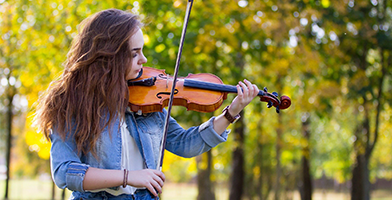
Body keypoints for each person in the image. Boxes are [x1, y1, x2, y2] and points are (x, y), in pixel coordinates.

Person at [33, 8, 259, 200]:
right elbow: (64, 172)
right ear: (109, 56)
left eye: (142, 51)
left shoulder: (147, 100)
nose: (144, 60)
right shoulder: (71, 103)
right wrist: (128, 176)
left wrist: (232, 112)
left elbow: (186, 143)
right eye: (134, 53)